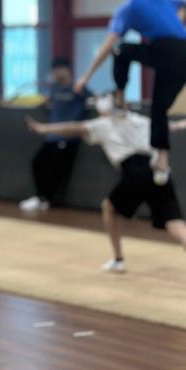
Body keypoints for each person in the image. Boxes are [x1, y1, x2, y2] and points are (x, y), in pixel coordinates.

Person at [26, 95, 186, 272]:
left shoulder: (103, 124)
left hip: (135, 172)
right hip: (159, 172)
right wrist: (180, 124)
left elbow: (73, 128)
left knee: (108, 207)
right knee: (175, 224)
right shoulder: (139, 120)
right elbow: (169, 127)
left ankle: (118, 260)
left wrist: (44, 128)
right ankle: (118, 260)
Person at [74, 0, 186, 185]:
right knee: (159, 108)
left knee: (121, 49)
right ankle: (162, 161)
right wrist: (180, 24)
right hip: (183, 53)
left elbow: (108, 45)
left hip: (165, 50)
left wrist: (86, 76)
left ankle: (120, 99)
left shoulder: (128, 7)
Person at [20, 58, 91, 212]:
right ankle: (40, 197)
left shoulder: (78, 88)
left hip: (69, 137)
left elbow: (92, 100)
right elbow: (47, 103)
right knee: (37, 163)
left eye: (60, 69)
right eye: (55, 70)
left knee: (55, 169)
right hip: (51, 136)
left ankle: (47, 199)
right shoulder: (54, 90)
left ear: (68, 70)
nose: (58, 73)